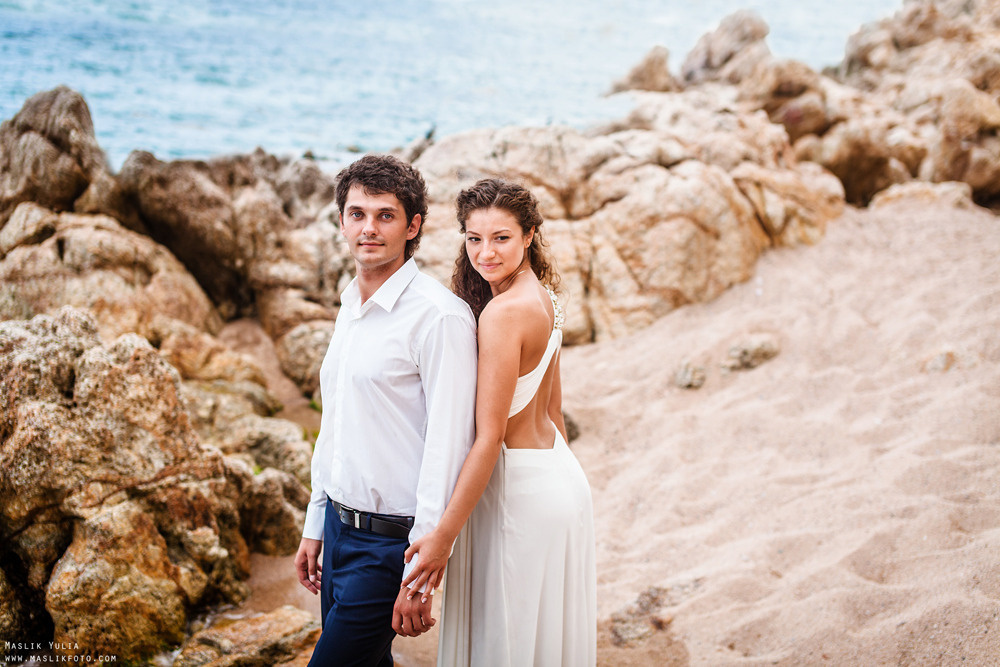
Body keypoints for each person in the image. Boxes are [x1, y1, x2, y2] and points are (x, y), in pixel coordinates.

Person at [401, 178, 597, 666]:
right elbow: (553, 413)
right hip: (559, 481)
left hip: (517, 496)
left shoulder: (503, 314)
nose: (484, 253)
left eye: (501, 238)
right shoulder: (545, 298)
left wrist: (443, 536)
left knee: (504, 644)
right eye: (473, 239)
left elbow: (488, 439)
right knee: (538, 640)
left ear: (530, 235)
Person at [294, 154, 478, 666]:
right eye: (357, 214)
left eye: (385, 215)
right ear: (341, 221)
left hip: (391, 547)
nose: (368, 228)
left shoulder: (440, 317)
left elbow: (449, 446)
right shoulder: (350, 302)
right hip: (337, 528)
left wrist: (423, 567)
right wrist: (315, 523)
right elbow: (336, 424)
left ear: (413, 225)